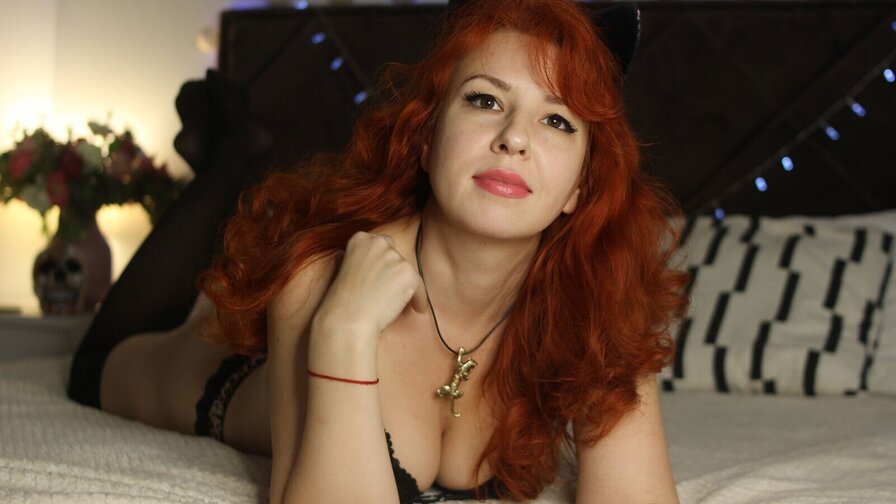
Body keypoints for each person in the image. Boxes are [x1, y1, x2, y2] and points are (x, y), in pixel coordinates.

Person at [68, 0, 688, 502]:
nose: (514, 139)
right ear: (427, 139)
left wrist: (612, 338)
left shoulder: (596, 304)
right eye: (485, 100)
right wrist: (343, 329)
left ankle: (228, 150)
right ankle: (227, 157)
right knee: (93, 363)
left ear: (580, 186)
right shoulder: (319, 280)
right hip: (196, 376)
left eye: (557, 120)